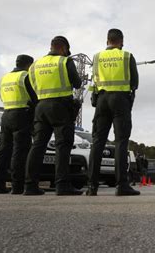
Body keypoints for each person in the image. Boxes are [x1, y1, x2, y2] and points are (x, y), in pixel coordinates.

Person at [24, 36, 83, 196]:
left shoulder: (35, 65)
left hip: (41, 107)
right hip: (61, 107)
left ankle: (30, 185)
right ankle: (62, 185)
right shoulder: (64, 61)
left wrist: (38, 100)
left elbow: (27, 84)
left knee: (38, 146)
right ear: (63, 48)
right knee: (62, 146)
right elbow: (77, 83)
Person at [86, 28, 139, 196]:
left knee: (98, 142)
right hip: (120, 100)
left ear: (107, 40)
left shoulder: (97, 57)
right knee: (121, 142)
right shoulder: (126, 56)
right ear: (121, 41)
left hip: (101, 100)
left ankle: (91, 187)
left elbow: (93, 81)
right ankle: (122, 185)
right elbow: (135, 82)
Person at [0, 55, 36, 194]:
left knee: (4, 151)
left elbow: (1, 97)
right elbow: (34, 96)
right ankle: (17, 186)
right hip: (21, 115)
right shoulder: (24, 76)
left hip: (6, 115)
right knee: (20, 152)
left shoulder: (4, 78)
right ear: (28, 65)